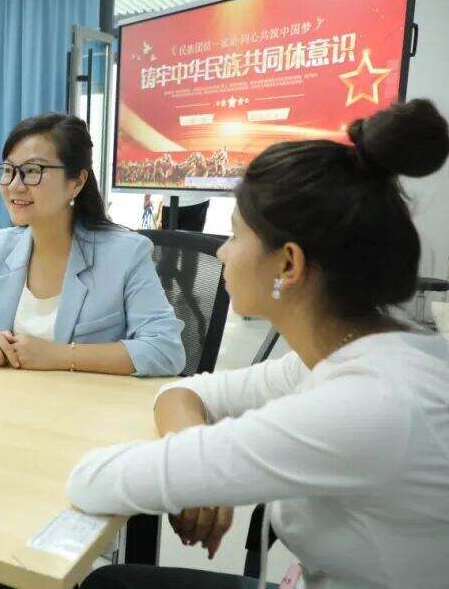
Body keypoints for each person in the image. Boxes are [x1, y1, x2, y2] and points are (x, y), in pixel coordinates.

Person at [71, 99, 449, 589]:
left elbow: (92, 480)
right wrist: (198, 468)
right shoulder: (349, 353)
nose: (222, 252)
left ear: (288, 264)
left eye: (235, 235)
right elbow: (186, 390)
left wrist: (198, 470)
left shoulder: (367, 404)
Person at [0, 113, 184, 377]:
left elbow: (165, 349)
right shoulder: (0, 246)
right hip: (6, 397)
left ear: (77, 182)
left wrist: (60, 355)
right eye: (8, 170)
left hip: (85, 400)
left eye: (33, 171)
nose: (15, 186)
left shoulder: (125, 254)